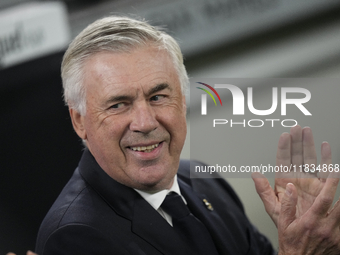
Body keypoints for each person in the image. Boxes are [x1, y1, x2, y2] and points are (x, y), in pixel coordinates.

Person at [35, 16, 340, 254]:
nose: (144, 122)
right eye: (118, 104)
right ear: (79, 121)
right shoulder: (75, 237)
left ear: (182, 100)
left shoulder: (203, 179)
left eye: (158, 97)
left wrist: (304, 237)